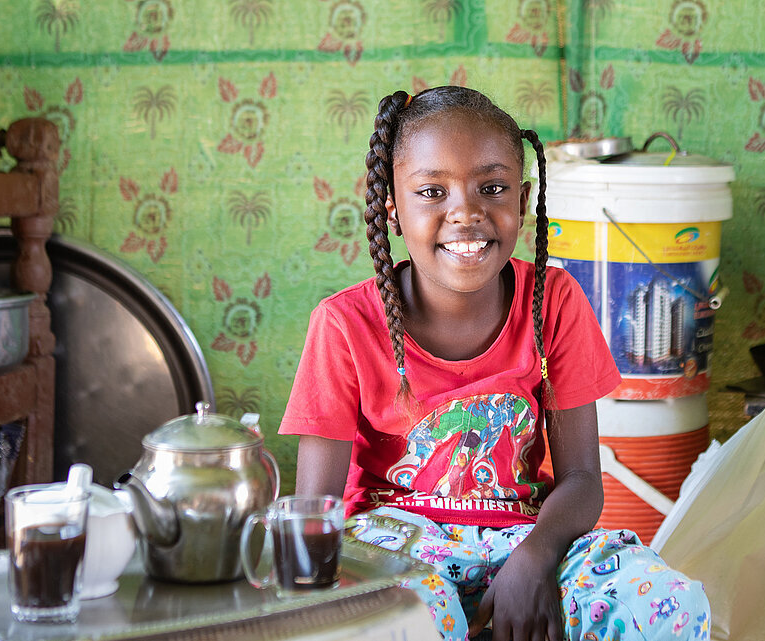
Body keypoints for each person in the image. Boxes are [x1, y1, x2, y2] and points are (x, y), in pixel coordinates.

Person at [279, 86, 710, 641]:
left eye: (493, 188)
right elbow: (318, 509)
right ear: (392, 207)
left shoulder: (553, 300)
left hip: (525, 538)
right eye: (432, 191)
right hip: (394, 545)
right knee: (402, 617)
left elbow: (581, 479)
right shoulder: (344, 324)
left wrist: (533, 560)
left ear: (523, 200)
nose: (466, 212)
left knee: (669, 604)